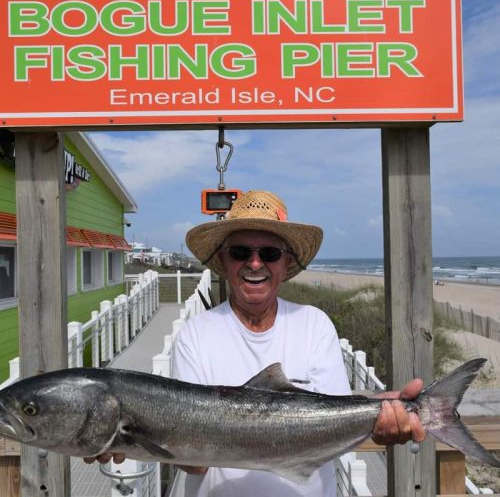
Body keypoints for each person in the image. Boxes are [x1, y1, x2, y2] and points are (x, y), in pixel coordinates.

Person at [87, 190, 425, 496]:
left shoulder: (314, 325)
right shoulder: (195, 335)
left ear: (286, 262)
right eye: (240, 252)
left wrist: (381, 420)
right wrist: (134, 441)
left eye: (269, 253)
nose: (254, 263)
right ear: (223, 261)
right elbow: (196, 462)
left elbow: (336, 417)